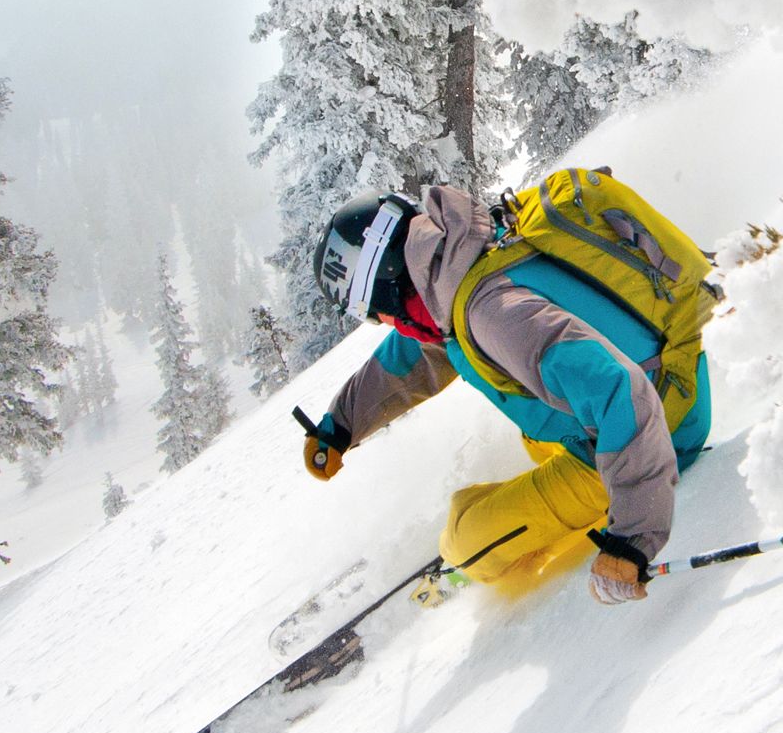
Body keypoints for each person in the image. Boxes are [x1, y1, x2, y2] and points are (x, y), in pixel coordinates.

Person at [303, 184, 713, 606]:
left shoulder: (492, 314)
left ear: (387, 286)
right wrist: (342, 424)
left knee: (466, 540)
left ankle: (469, 562)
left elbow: (619, 391)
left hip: (658, 430)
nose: (384, 323)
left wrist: (631, 541)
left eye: (372, 313)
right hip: (673, 384)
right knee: (533, 435)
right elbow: (419, 352)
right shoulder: (465, 259)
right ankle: (540, 509)